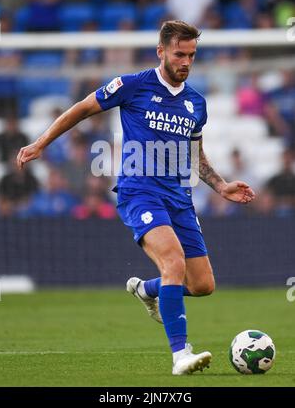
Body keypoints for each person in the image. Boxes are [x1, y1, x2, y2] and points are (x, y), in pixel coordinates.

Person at [17, 20, 255, 375]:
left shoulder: (196, 103)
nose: (186, 62)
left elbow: (195, 155)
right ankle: (181, 354)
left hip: (180, 198)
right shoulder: (132, 85)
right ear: (161, 51)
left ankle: (148, 290)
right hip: (139, 192)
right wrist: (40, 143)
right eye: (179, 54)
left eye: (191, 55)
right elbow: (82, 107)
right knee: (173, 261)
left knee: (202, 285)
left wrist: (220, 186)